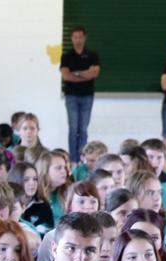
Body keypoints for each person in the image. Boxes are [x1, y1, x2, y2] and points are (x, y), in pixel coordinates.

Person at [59, 27, 100, 163]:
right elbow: (66, 76)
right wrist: (85, 74)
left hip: (87, 96)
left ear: (84, 38)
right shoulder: (66, 56)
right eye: (75, 37)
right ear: (72, 39)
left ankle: (83, 159)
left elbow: (95, 73)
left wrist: (76, 73)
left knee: (83, 129)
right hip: (71, 96)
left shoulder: (92, 55)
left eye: (80, 37)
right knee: (73, 128)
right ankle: (73, 160)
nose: (77, 40)